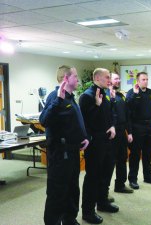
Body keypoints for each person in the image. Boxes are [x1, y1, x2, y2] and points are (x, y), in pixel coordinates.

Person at [40, 65, 89, 225]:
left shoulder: (71, 96)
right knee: (57, 192)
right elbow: (44, 121)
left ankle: (69, 219)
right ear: (66, 78)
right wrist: (58, 100)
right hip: (60, 155)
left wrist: (84, 137)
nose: (78, 79)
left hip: (73, 152)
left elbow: (74, 122)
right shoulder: (56, 96)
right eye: (75, 76)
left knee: (72, 189)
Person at [80, 68, 118, 225]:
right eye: (106, 77)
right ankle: (88, 211)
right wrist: (96, 105)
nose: (109, 79)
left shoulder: (104, 93)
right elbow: (85, 122)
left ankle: (102, 203)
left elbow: (110, 115)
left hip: (107, 140)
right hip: (94, 143)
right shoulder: (86, 96)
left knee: (106, 173)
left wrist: (113, 126)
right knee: (93, 177)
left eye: (110, 77)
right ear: (96, 77)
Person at [126, 72, 151, 190]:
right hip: (137, 128)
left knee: (148, 153)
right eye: (143, 79)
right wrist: (130, 132)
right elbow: (129, 110)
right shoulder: (132, 93)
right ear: (138, 81)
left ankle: (148, 176)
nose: (145, 81)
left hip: (149, 128)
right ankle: (133, 179)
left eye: (147, 79)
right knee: (135, 155)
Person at [107, 73, 134, 193]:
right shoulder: (105, 96)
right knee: (109, 162)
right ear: (109, 80)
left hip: (122, 132)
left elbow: (127, 115)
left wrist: (129, 132)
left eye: (119, 78)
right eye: (116, 78)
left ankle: (120, 185)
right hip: (111, 134)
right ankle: (104, 191)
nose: (119, 80)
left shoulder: (120, 96)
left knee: (123, 158)